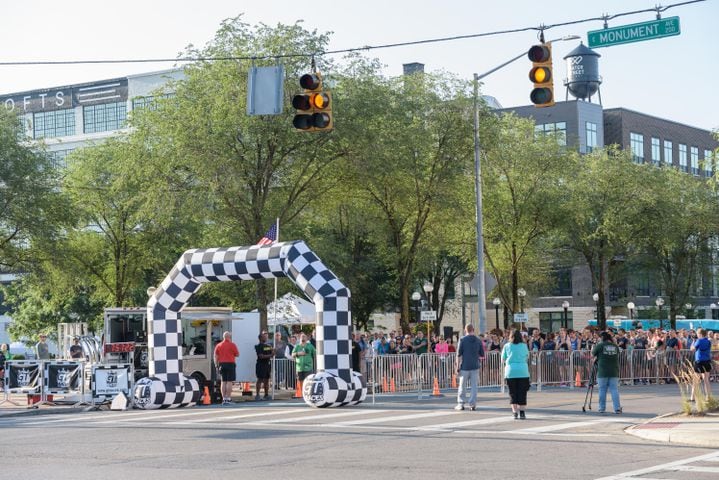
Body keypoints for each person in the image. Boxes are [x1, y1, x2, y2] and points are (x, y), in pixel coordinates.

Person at [455, 324, 484, 411]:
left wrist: (457, 366)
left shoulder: (462, 339)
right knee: (474, 386)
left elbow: (458, 354)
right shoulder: (478, 340)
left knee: (462, 386)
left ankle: (461, 404)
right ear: (473, 329)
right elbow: (482, 354)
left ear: (465, 330)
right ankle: (472, 404)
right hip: (475, 366)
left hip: (464, 366)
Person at [502, 329, 530, 419]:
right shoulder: (524, 346)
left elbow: (503, 359)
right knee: (522, 392)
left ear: (511, 336)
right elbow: (527, 357)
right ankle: (522, 412)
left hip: (511, 371)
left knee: (512, 392)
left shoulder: (507, 346)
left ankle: (515, 412)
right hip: (523, 371)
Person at [592, 331, 622, 414]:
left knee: (602, 390)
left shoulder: (600, 345)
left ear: (602, 338)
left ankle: (602, 408)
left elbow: (593, 354)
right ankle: (617, 408)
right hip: (614, 371)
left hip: (602, 371)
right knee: (614, 390)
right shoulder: (615, 346)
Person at [213, 331, 239, 405]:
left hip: (222, 364)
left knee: (223, 381)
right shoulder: (232, 345)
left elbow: (215, 356)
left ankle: (224, 399)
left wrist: (216, 365)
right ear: (229, 337)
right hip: (230, 364)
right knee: (229, 381)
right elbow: (237, 354)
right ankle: (228, 398)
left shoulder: (218, 345)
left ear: (223, 337)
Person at [690, 328, 713, 402]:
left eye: (697, 334)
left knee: (695, 380)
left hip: (699, 361)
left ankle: (692, 397)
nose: (696, 335)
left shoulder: (698, 341)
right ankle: (708, 397)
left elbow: (692, 349)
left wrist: (693, 341)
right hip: (707, 361)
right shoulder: (708, 341)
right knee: (706, 380)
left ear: (700, 334)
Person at [254, 331, 273, 400]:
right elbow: (261, 356)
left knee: (267, 380)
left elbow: (272, 352)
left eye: (266, 337)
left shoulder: (267, 346)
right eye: (264, 337)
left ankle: (266, 394)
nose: (266, 338)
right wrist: (270, 355)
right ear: (260, 338)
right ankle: (258, 395)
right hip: (260, 365)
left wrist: (273, 351)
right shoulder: (258, 346)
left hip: (267, 365)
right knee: (260, 379)